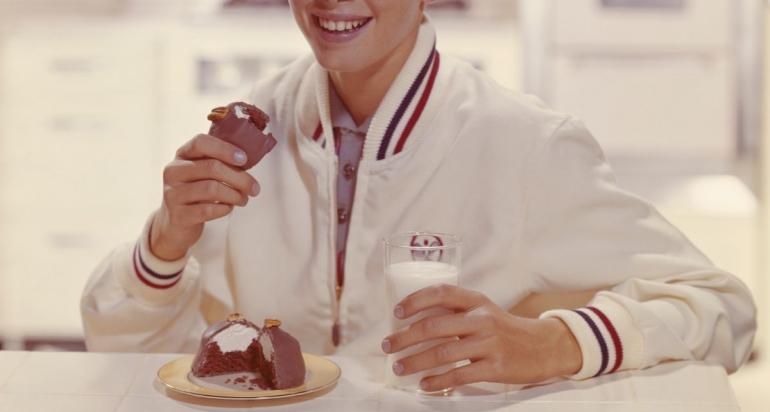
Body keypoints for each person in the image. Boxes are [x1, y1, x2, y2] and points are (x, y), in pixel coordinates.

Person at [81, 0, 756, 392]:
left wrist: (550, 346)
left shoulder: (522, 144)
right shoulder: (257, 127)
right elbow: (130, 353)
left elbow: (723, 307)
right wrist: (165, 242)